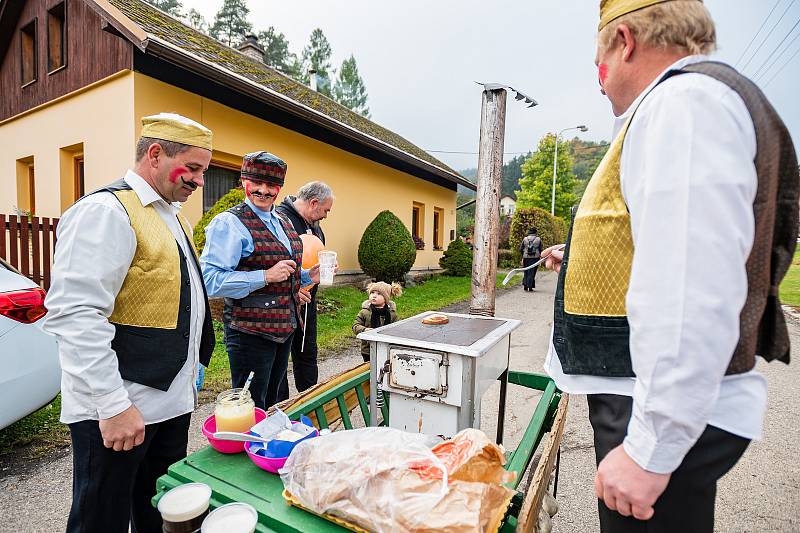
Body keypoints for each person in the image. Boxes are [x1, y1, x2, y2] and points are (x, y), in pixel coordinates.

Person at [543, 1, 798, 531]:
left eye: (599, 61)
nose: (598, 79)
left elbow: (690, 288)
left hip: (653, 404)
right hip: (649, 395)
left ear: (626, 42)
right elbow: (663, 239)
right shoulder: (683, 105)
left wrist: (650, 448)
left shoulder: (681, 105)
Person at [43, 113, 216, 532]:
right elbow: (76, 314)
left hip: (168, 405)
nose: (198, 181)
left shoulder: (174, 217)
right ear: (155, 155)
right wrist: (114, 405)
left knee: (157, 513)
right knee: (100, 519)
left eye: (204, 171)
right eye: (192, 168)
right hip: (119, 409)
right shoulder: (105, 211)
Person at [201, 151, 318, 411]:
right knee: (251, 408)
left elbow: (282, 272)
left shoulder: (283, 221)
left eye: (272, 186)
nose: (264, 191)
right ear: (244, 181)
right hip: (249, 333)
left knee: (274, 403)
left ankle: (268, 451)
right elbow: (209, 280)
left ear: (280, 188)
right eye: (257, 183)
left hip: (283, 330)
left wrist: (306, 278)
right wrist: (264, 277)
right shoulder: (229, 223)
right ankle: (246, 452)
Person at [275, 181, 335, 402]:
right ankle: (282, 409)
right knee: (279, 361)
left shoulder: (315, 226)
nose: (326, 215)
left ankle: (310, 404)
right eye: (326, 210)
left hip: (308, 302)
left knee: (307, 354)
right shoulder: (280, 220)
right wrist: (293, 289)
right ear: (313, 202)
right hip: (283, 305)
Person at [352, 282, 402, 362]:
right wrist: (364, 329)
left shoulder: (392, 314)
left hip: (386, 348)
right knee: (371, 369)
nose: (374, 296)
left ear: (386, 298)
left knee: (385, 367)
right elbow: (355, 325)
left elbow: (397, 329)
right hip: (368, 350)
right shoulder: (365, 312)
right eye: (372, 292)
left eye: (379, 294)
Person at [519, 227, 542, 291]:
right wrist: (540, 256)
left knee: (526, 271)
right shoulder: (538, 239)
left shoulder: (525, 239)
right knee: (532, 272)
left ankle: (525, 286)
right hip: (535, 258)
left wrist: (523, 256)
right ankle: (530, 287)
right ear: (535, 232)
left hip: (526, 257)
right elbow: (540, 249)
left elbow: (521, 249)